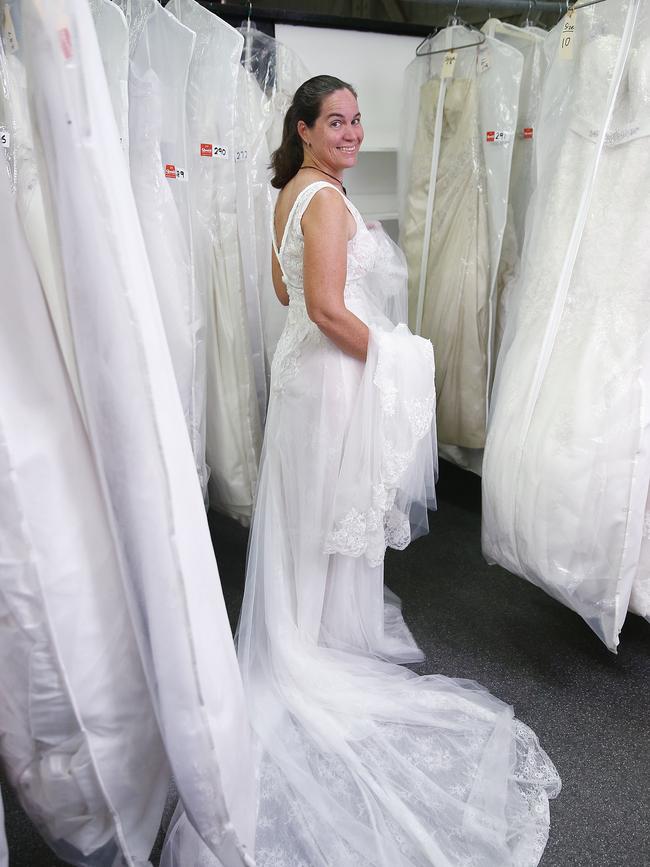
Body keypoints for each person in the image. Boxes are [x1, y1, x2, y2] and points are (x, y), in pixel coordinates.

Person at [162, 75, 560, 867]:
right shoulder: (325, 199)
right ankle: (315, 652)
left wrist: (345, 267)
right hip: (336, 378)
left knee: (311, 518)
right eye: (335, 122)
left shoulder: (293, 192)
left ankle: (304, 633)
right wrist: (398, 355)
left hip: (306, 379)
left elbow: (284, 286)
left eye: (355, 120)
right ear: (304, 129)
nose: (350, 131)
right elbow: (323, 308)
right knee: (326, 515)